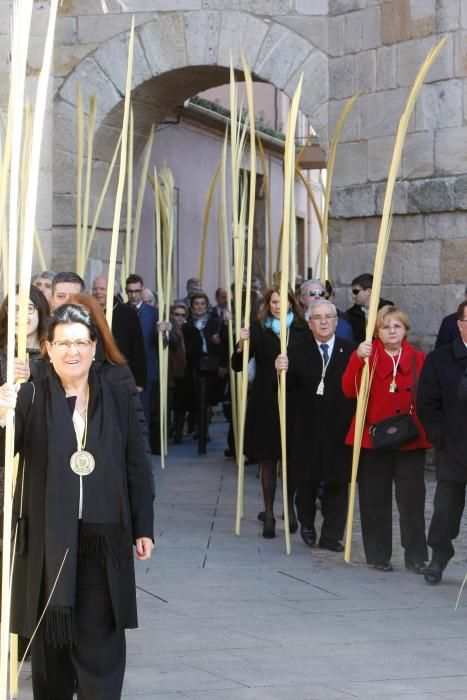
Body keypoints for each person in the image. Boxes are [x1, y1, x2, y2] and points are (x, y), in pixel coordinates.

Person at [0, 303, 154, 698]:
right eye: (64, 343)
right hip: (49, 541)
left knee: (101, 642)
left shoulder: (116, 396)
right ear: (48, 348)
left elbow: (135, 464)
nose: (73, 351)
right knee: (52, 645)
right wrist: (4, 409)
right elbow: (7, 447)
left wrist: (143, 526)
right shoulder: (31, 394)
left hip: (104, 541)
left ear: (94, 348)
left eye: (81, 343)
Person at [342, 305, 430, 573]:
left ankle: (416, 556)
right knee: (374, 498)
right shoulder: (367, 356)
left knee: (412, 500)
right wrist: (357, 358)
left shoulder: (418, 358)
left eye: (397, 326)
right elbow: (348, 389)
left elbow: (429, 396)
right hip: (374, 438)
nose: (392, 331)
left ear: (405, 330)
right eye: (386, 326)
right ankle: (378, 555)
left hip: (409, 440)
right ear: (377, 331)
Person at [275, 299, 356, 552]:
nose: (323, 322)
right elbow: (285, 392)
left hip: (339, 425)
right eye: (317, 318)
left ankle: (332, 535)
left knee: (338, 483)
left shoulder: (351, 350)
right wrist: (280, 372)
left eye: (328, 317)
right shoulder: (295, 350)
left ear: (336, 321)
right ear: (309, 323)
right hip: (306, 426)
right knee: (306, 481)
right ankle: (307, 524)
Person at [232, 285, 308, 538]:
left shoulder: (300, 329)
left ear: (290, 303)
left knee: (292, 458)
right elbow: (237, 366)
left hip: (294, 399)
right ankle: (269, 513)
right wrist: (241, 344)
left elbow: (309, 362)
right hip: (265, 399)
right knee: (268, 459)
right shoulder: (258, 328)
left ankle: (290, 507)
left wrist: (290, 365)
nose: (277, 305)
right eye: (273, 301)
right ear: (268, 304)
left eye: (282, 301)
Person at [417, 300, 467, 584]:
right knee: (446, 509)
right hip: (453, 447)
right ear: (459, 324)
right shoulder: (439, 359)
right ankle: (438, 556)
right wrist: (441, 437)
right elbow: (427, 404)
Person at [92, 275, 147, 391]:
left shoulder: (127, 313)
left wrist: (139, 382)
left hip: (119, 374)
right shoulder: (87, 312)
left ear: (113, 290)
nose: (98, 292)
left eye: (102, 289)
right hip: (93, 374)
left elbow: (137, 348)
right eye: (95, 289)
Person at [125, 274, 158, 430]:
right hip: (125, 369)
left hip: (147, 370)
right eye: (130, 291)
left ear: (142, 290)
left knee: (143, 411)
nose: (133, 295)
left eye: (137, 291)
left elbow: (164, 343)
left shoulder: (153, 313)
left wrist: (164, 332)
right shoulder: (120, 311)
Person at [345, 273, 393, 344]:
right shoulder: (350, 314)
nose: (353, 296)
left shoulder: (389, 310)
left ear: (369, 291)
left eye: (356, 291)